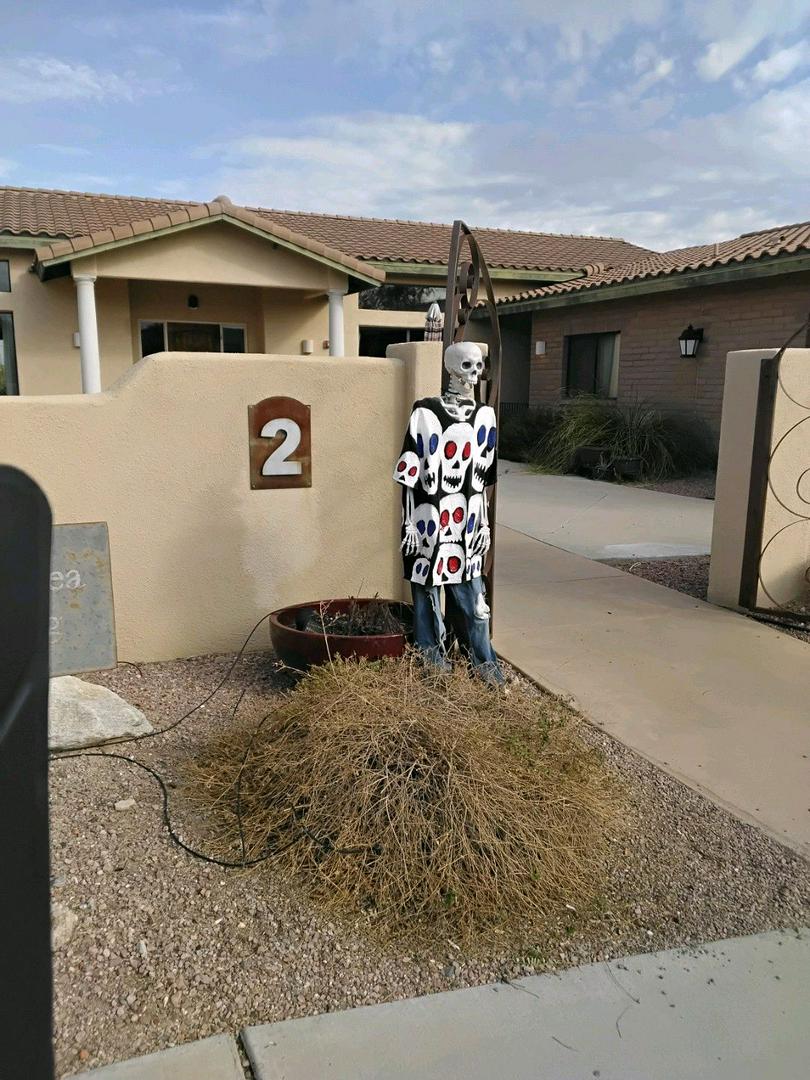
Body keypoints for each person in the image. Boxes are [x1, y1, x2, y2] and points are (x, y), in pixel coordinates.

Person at [393, 341, 503, 684]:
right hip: (427, 520)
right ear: (451, 367)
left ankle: (485, 668)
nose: (476, 373)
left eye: (479, 365)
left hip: (467, 525)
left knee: (476, 605)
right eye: (469, 365)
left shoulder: (486, 416)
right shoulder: (424, 412)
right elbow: (409, 474)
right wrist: (409, 523)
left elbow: (483, 479)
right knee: (426, 601)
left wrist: (484, 525)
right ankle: (432, 668)